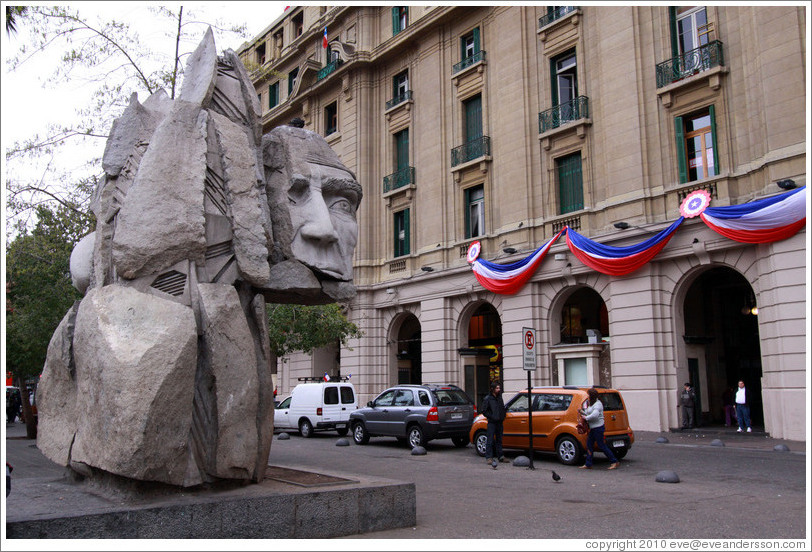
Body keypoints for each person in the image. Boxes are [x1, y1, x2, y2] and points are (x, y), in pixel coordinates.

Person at [579, 388, 620, 470]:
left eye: (589, 395)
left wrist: (586, 418)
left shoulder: (598, 404)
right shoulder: (592, 403)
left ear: (592, 396)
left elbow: (595, 415)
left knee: (601, 445)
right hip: (593, 428)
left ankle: (614, 461)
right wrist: (582, 412)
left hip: (598, 428)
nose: (588, 397)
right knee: (589, 445)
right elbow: (588, 412)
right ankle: (588, 463)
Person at [480, 381, 508, 466]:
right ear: (492, 389)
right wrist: (492, 416)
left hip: (499, 421)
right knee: (490, 440)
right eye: (497, 388)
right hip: (492, 422)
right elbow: (484, 410)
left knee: (499, 439)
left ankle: (501, 456)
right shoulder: (488, 398)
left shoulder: (499, 398)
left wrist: (503, 415)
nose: (499, 389)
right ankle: (489, 457)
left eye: (499, 388)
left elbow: (502, 407)